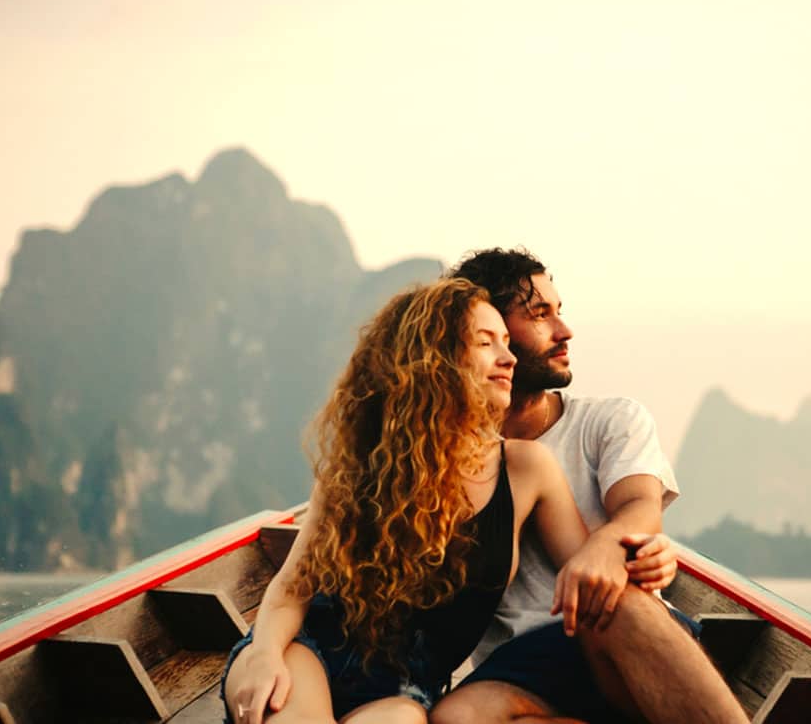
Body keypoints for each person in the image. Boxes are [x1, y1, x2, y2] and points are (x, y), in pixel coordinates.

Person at [221, 278, 589, 724]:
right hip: (302, 654)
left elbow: (590, 570)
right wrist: (263, 654)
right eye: (485, 342)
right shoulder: (359, 466)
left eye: (507, 342)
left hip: (406, 697)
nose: (508, 358)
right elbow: (292, 589)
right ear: (436, 359)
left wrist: (632, 539)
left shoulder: (526, 470)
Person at [431, 249, 748, 724]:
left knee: (609, 597)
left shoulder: (610, 421)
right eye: (540, 315)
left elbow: (640, 505)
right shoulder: (445, 455)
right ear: (485, 335)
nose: (564, 331)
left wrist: (606, 546)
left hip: (627, 641)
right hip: (522, 668)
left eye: (559, 311)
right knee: (456, 719)